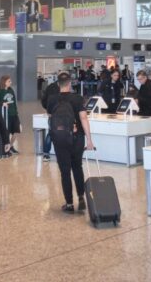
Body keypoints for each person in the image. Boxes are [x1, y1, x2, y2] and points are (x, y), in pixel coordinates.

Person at [46, 72, 95, 213]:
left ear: (58, 84)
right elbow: (84, 118)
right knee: (77, 167)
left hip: (60, 138)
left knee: (65, 171)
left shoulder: (52, 99)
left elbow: (51, 118)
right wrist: (89, 140)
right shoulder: (77, 98)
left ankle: (69, 203)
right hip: (77, 137)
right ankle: (81, 197)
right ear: (69, 84)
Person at [0, 75, 21, 156]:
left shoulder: (11, 90)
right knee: (7, 132)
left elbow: (14, 102)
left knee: (17, 131)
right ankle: (6, 148)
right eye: (9, 81)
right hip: (5, 115)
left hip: (14, 114)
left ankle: (10, 146)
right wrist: (2, 104)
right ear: (4, 82)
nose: (11, 82)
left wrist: (16, 112)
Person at [41, 75, 60, 161]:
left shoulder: (51, 87)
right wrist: (49, 111)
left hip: (54, 113)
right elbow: (45, 100)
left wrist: (48, 110)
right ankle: (46, 153)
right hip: (54, 114)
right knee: (51, 133)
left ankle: (47, 154)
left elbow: (43, 100)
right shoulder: (53, 88)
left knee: (51, 133)